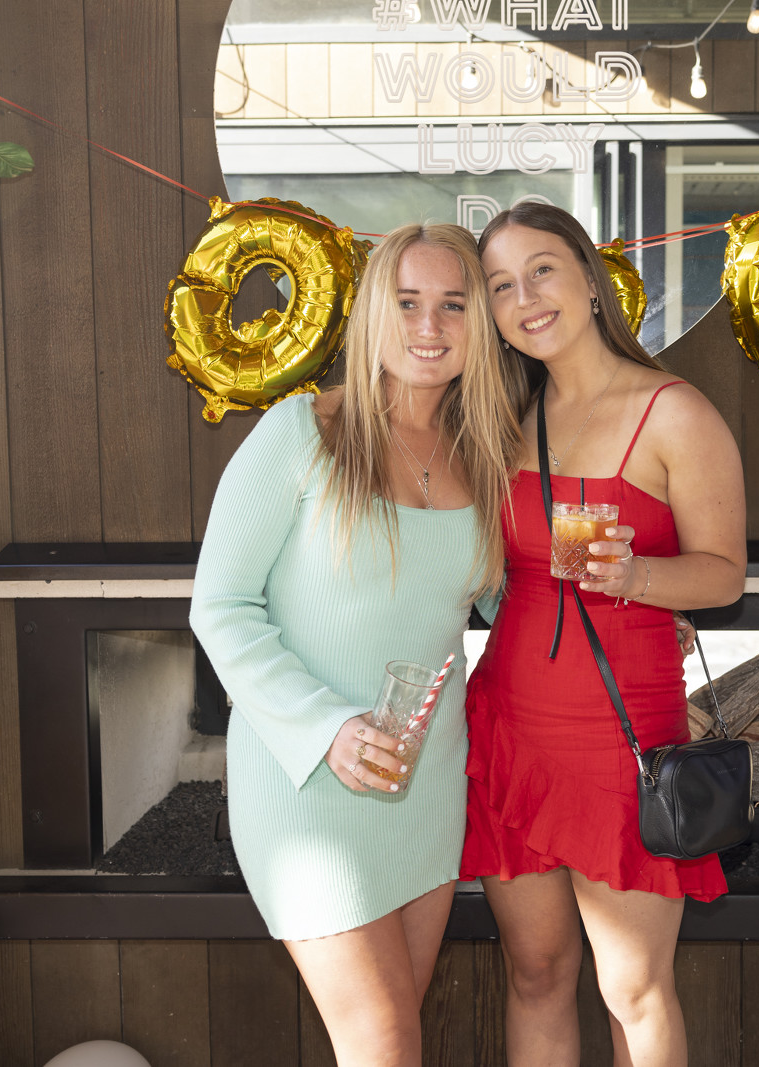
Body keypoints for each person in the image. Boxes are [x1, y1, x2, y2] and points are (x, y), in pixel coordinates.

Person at [189, 222, 524, 1065]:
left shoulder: (485, 457)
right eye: (407, 302)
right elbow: (220, 606)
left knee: (393, 1037)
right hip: (307, 779)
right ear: (373, 311)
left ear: (480, 324)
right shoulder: (299, 433)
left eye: (453, 305)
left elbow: (507, 600)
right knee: (384, 1040)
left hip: (424, 785)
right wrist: (327, 727)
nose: (429, 326)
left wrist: (636, 606)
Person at [462, 201, 747, 1067]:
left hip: (622, 739)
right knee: (536, 973)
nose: (525, 298)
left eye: (542, 270)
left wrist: (639, 580)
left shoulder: (673, 412)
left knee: (633, 989)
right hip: (509, 724)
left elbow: (725, 574)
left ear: (590, 279)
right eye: (501, 285)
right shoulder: (505, 416)